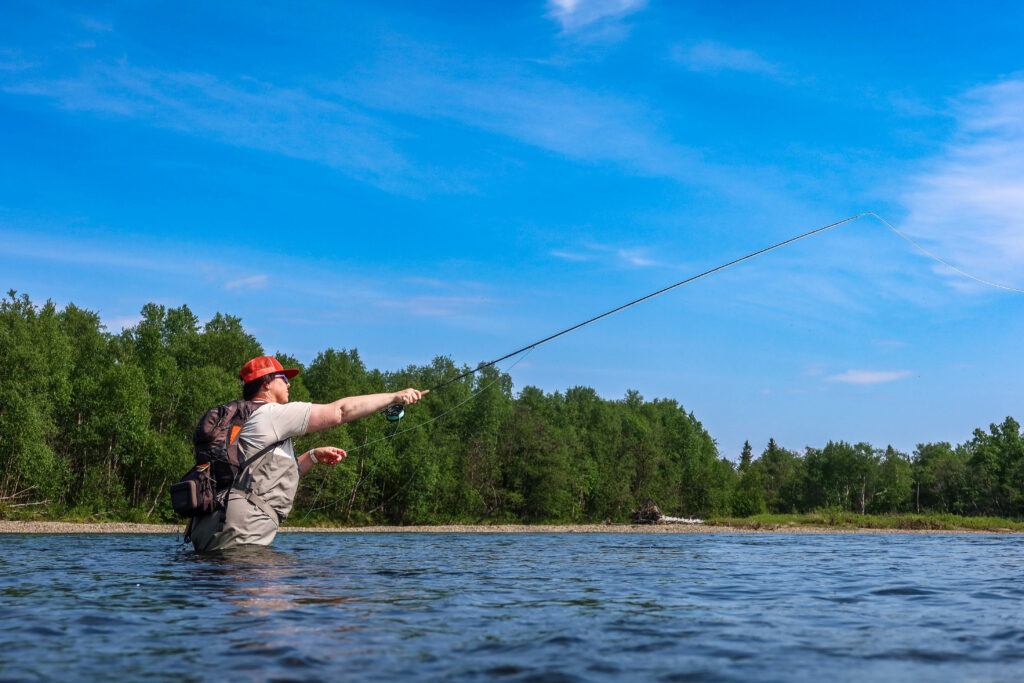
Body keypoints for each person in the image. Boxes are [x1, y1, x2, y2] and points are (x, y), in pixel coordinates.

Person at [190, 355, 426, 551]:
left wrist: (312, 456)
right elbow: (339, 412)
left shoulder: (249, 419)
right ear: (267, 384)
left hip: (210, 524)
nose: (289, 384)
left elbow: (264, 482)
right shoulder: (271, 413)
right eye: (284, 379)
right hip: (240, 528)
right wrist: (395, 396)